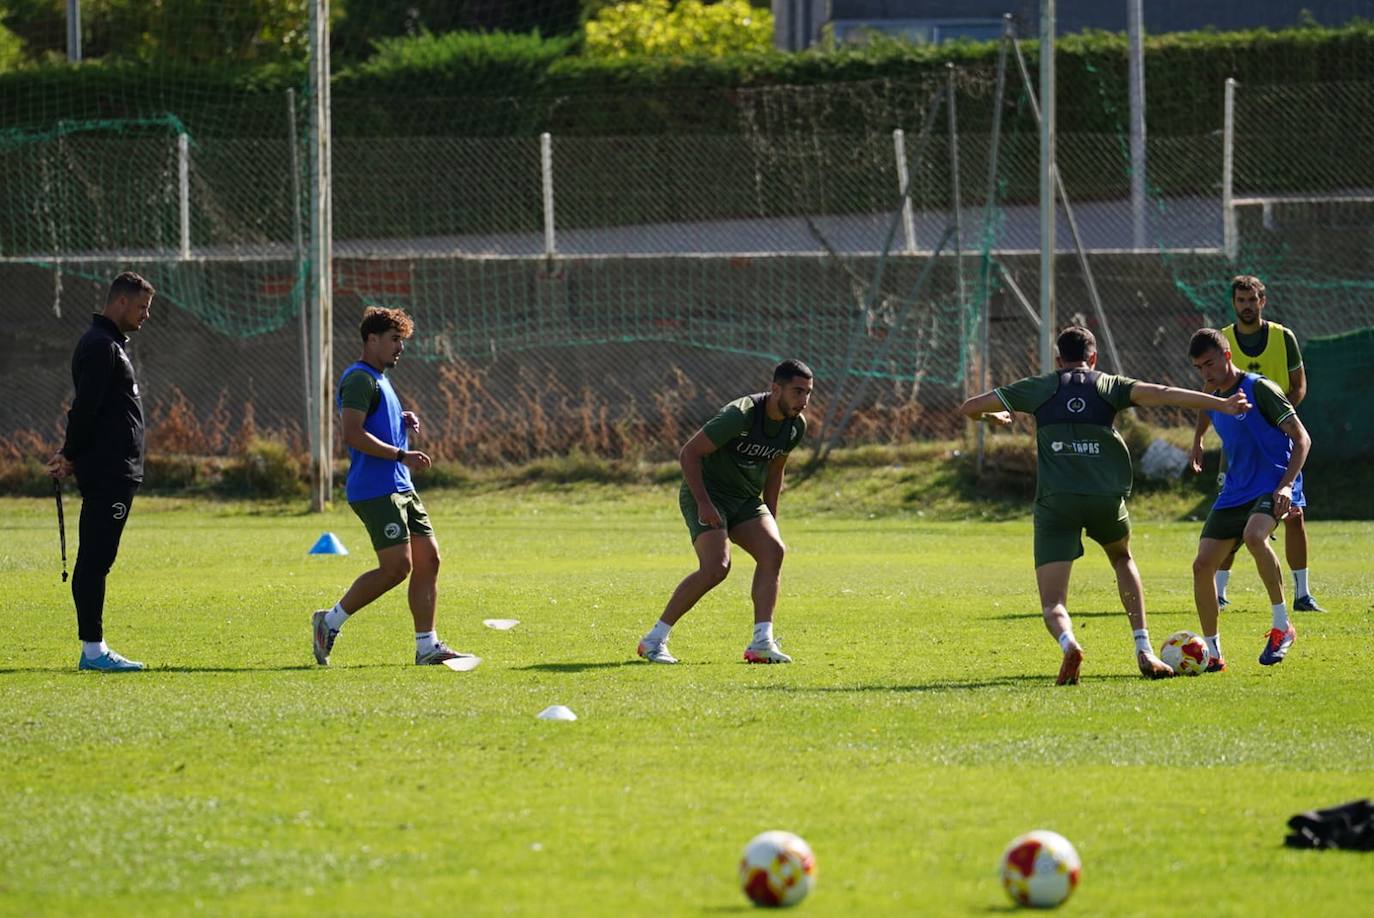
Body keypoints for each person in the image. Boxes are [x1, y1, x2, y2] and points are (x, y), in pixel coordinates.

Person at [957, 326, 1251, 685]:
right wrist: (1221, 404)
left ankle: (1069, 644)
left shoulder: (1038, 386)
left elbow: (969, 408)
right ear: (1093, 358)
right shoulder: (1108, 385)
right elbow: (1163, 393)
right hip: (1105, 499)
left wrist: (994, 416)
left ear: (1058, 360)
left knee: (1053, 603)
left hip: (1056, 503)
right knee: (1122, 559)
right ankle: (1144, 649)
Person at [311, 307, 476, 668]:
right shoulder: (359, 378)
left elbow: (373, 420)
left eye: (402, 340)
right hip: (376, 487)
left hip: (401, 486)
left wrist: (400, 420)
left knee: (429, 560)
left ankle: (426, 646)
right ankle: (330, 621)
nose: (400, 347)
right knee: (396, 568)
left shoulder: (380, 379)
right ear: (372, 340)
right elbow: (352, 433)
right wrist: (402, 453)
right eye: (394, 339)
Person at [637, 359, 814, 665]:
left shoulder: (795, 426)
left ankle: (762, 642)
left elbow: (775, 472)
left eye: (808, 393)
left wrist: (770, 516)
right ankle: (653, 640)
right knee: (717, 567)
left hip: (744, 499)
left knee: (774, 551)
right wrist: (704, 503)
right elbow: (689, 454)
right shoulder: (740, 415)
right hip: (707, 492)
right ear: (775, 389)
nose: (804, 401)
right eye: (797, 392)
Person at [1189, 275, 1322, 611]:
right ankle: (1218, 591)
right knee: (1231, 516)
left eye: (1252, 300)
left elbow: (1298, 386)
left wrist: (1274, 419)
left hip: (1277, 441)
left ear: (1263, 301)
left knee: (1294, 515)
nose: (1246, 306)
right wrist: (1199, 438)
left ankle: (1301, 594)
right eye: (1240, 300)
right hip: (1237, 448)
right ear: (1233, 303)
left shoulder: (1282, 337)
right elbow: (1210, 397)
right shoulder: (1219, 340)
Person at [46, 271, 156, 672]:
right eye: (142, 307)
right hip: (109, 470)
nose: (145, 316)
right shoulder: (100, 346)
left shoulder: (108, 344)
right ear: (121, 301)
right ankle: (93, 651)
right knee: (95, 559)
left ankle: (94, 648)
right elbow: (85, 409)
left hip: (115, 470)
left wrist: (70, 452)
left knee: (97, 557)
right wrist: (70, 452)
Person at [1187, 328, 1311, 671]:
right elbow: (1203, 406)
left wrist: (1286, 487)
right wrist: (1198, 439)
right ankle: (1213, 653)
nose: (1206, 373)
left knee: (1254, 536)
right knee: (1202, 566)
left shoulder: (1260, 389)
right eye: (1199, 367)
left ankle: (1282, 625)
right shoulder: (1213, 391)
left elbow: (1302, 439)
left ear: (1227, 356)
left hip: (1272, 483)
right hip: (1236, 490)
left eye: (1210, 364)